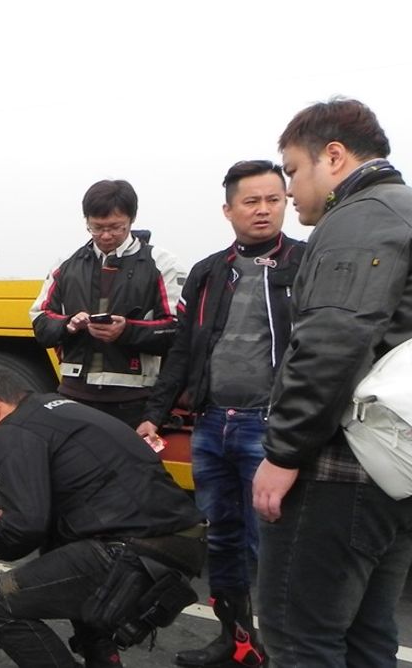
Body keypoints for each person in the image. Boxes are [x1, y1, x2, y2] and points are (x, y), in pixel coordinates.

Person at [252, 98, 412, 666]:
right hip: (395, 469)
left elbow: (331, 343)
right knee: (367, 637)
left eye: (293, 170)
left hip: (344, 466)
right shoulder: (404, 210)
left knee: (298, 638)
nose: (289, 188)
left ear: (335, 157)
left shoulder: (363, 217)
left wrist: (283, 452)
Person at [136, 160, 302, 667]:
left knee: (274, 542)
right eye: (250, 201)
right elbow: (183, 351)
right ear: (228, 209)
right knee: (223, 537)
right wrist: (155, 414)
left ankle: (280, 647)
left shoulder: (306, 262)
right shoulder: (209, 272)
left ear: (286, 203)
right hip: (213, 423)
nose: (263, 209)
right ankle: (236, 640)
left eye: (273, 199)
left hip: (270, 428)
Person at [0, 370, 205, 667]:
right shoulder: (59, 410)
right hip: (183, 542)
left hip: (135, 549)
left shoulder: (11, 429)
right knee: (62, 554)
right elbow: (67, 498)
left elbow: (23, 533)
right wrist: (8, 518)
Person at [29, 180, 183, 427]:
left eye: (116, 227)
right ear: (86, 221)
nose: (106, 235)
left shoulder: (162, 263)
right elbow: (40, 321)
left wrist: (127, 331)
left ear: (132, 219)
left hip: (134, 399)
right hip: (73, 393)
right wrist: (68, 324)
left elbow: (178, 331)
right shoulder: (66, 264)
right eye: (96, 227)